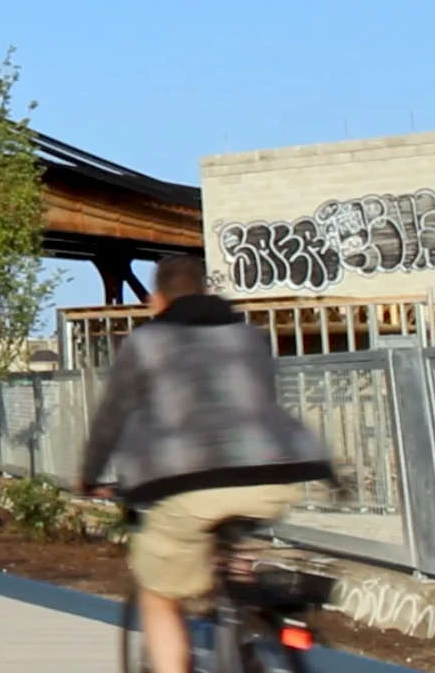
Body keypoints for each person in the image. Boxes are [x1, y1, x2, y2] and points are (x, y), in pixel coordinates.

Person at [78, 255, 335, 673]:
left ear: (157, 301)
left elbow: (112, 419)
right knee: (234, 556)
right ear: (208, 291)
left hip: (189, 481)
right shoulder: (249, 335)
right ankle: (247, 623)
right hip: (274, 473)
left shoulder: (145, 343)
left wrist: (90, 476)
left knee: (159, 594)